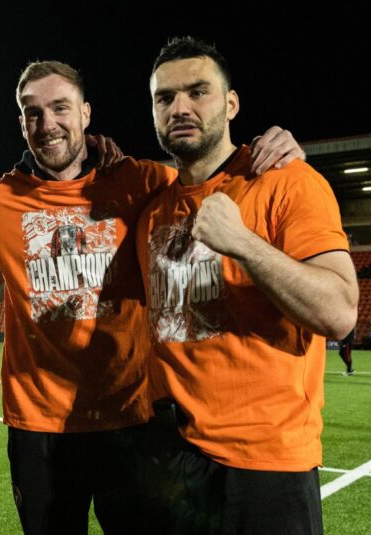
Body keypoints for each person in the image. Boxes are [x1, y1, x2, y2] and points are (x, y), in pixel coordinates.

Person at [0, 60, 304, 534]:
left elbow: (209, 176)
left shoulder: (143, 183)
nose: (47, 124)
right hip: (39, 427)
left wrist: (270, 152)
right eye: (32, 112)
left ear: (85, 113)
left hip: (131, 421)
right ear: (21, 123)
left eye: (60, 107)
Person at [136, 37, 358, 533]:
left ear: (231, 103)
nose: (181, 108)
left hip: (267, 465)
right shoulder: (151, 212)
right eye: (164, 98)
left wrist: (243, 243)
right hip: (173, 462)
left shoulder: (287, 181)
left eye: (199, 92)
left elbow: (340, 312)